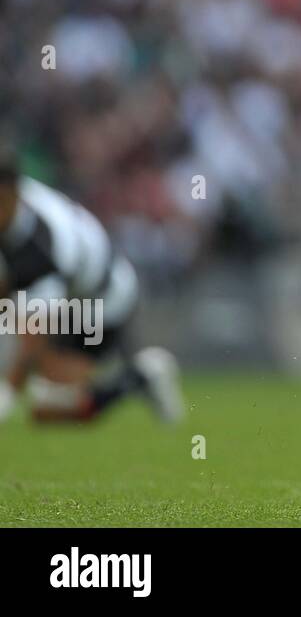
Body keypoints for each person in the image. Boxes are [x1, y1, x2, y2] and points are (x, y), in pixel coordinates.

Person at [0, 137, 183, 425]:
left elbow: (33, 335)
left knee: (49, 406)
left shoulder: (41, 246)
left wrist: (6, 395)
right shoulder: (17, 206)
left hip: (102, 300)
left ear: (7, 192)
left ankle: (140, 376)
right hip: (74, 290)